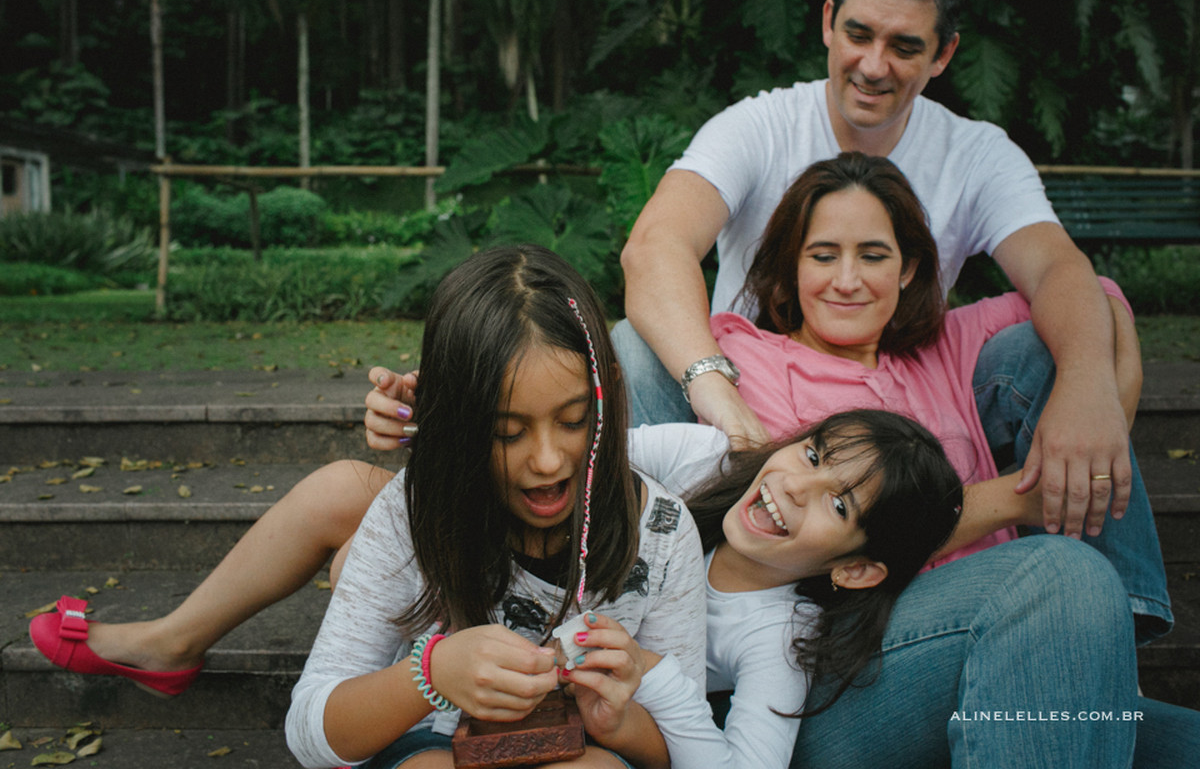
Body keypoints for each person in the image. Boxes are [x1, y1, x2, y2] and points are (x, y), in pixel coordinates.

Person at [616, 0, 1135, 548]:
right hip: (745, 415)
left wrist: (1092, 394)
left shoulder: (976, 153)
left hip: (911, 400)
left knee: (1066, 342)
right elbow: (655, 245)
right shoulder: (760, 127)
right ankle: (652, 570)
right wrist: (713, 385)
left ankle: (1118, 604)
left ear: (944, 54)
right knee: (635, 347)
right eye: (859, 35)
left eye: (904, 46)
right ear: (828, 24)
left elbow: (1063, 271)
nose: (872, 64)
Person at [702, 150, 1168, 641]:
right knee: (1055, 568)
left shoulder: (938, 347)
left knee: (1061, 342)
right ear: (793, 265)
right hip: (891, 629)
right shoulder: (753, 357)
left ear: (908, 268)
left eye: (873, 255)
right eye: (822, 256)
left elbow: (1090, 289)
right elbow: (829, 533)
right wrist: (1022, 499)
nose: (846, 280)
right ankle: (1113, 632)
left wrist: (1097, 399)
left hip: (1016, 603)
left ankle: (1125, 623)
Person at [281, 244, 708, 768]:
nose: (548, 461)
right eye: (507, 432)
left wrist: (618, 721)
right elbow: (309, 732)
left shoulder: (662, 535)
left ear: (609, 399)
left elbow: (691, 747)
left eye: (574, 421)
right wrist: (431, 674)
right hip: (433, 747)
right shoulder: (411, 513)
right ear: (459, 426)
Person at [631, 409, 965, 769]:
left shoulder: (778, 636)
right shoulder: (704, 457)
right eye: (813, 456)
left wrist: (657, 678)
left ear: (855, 569)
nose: (794, 485)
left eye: (838, 506)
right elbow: (578, 455)